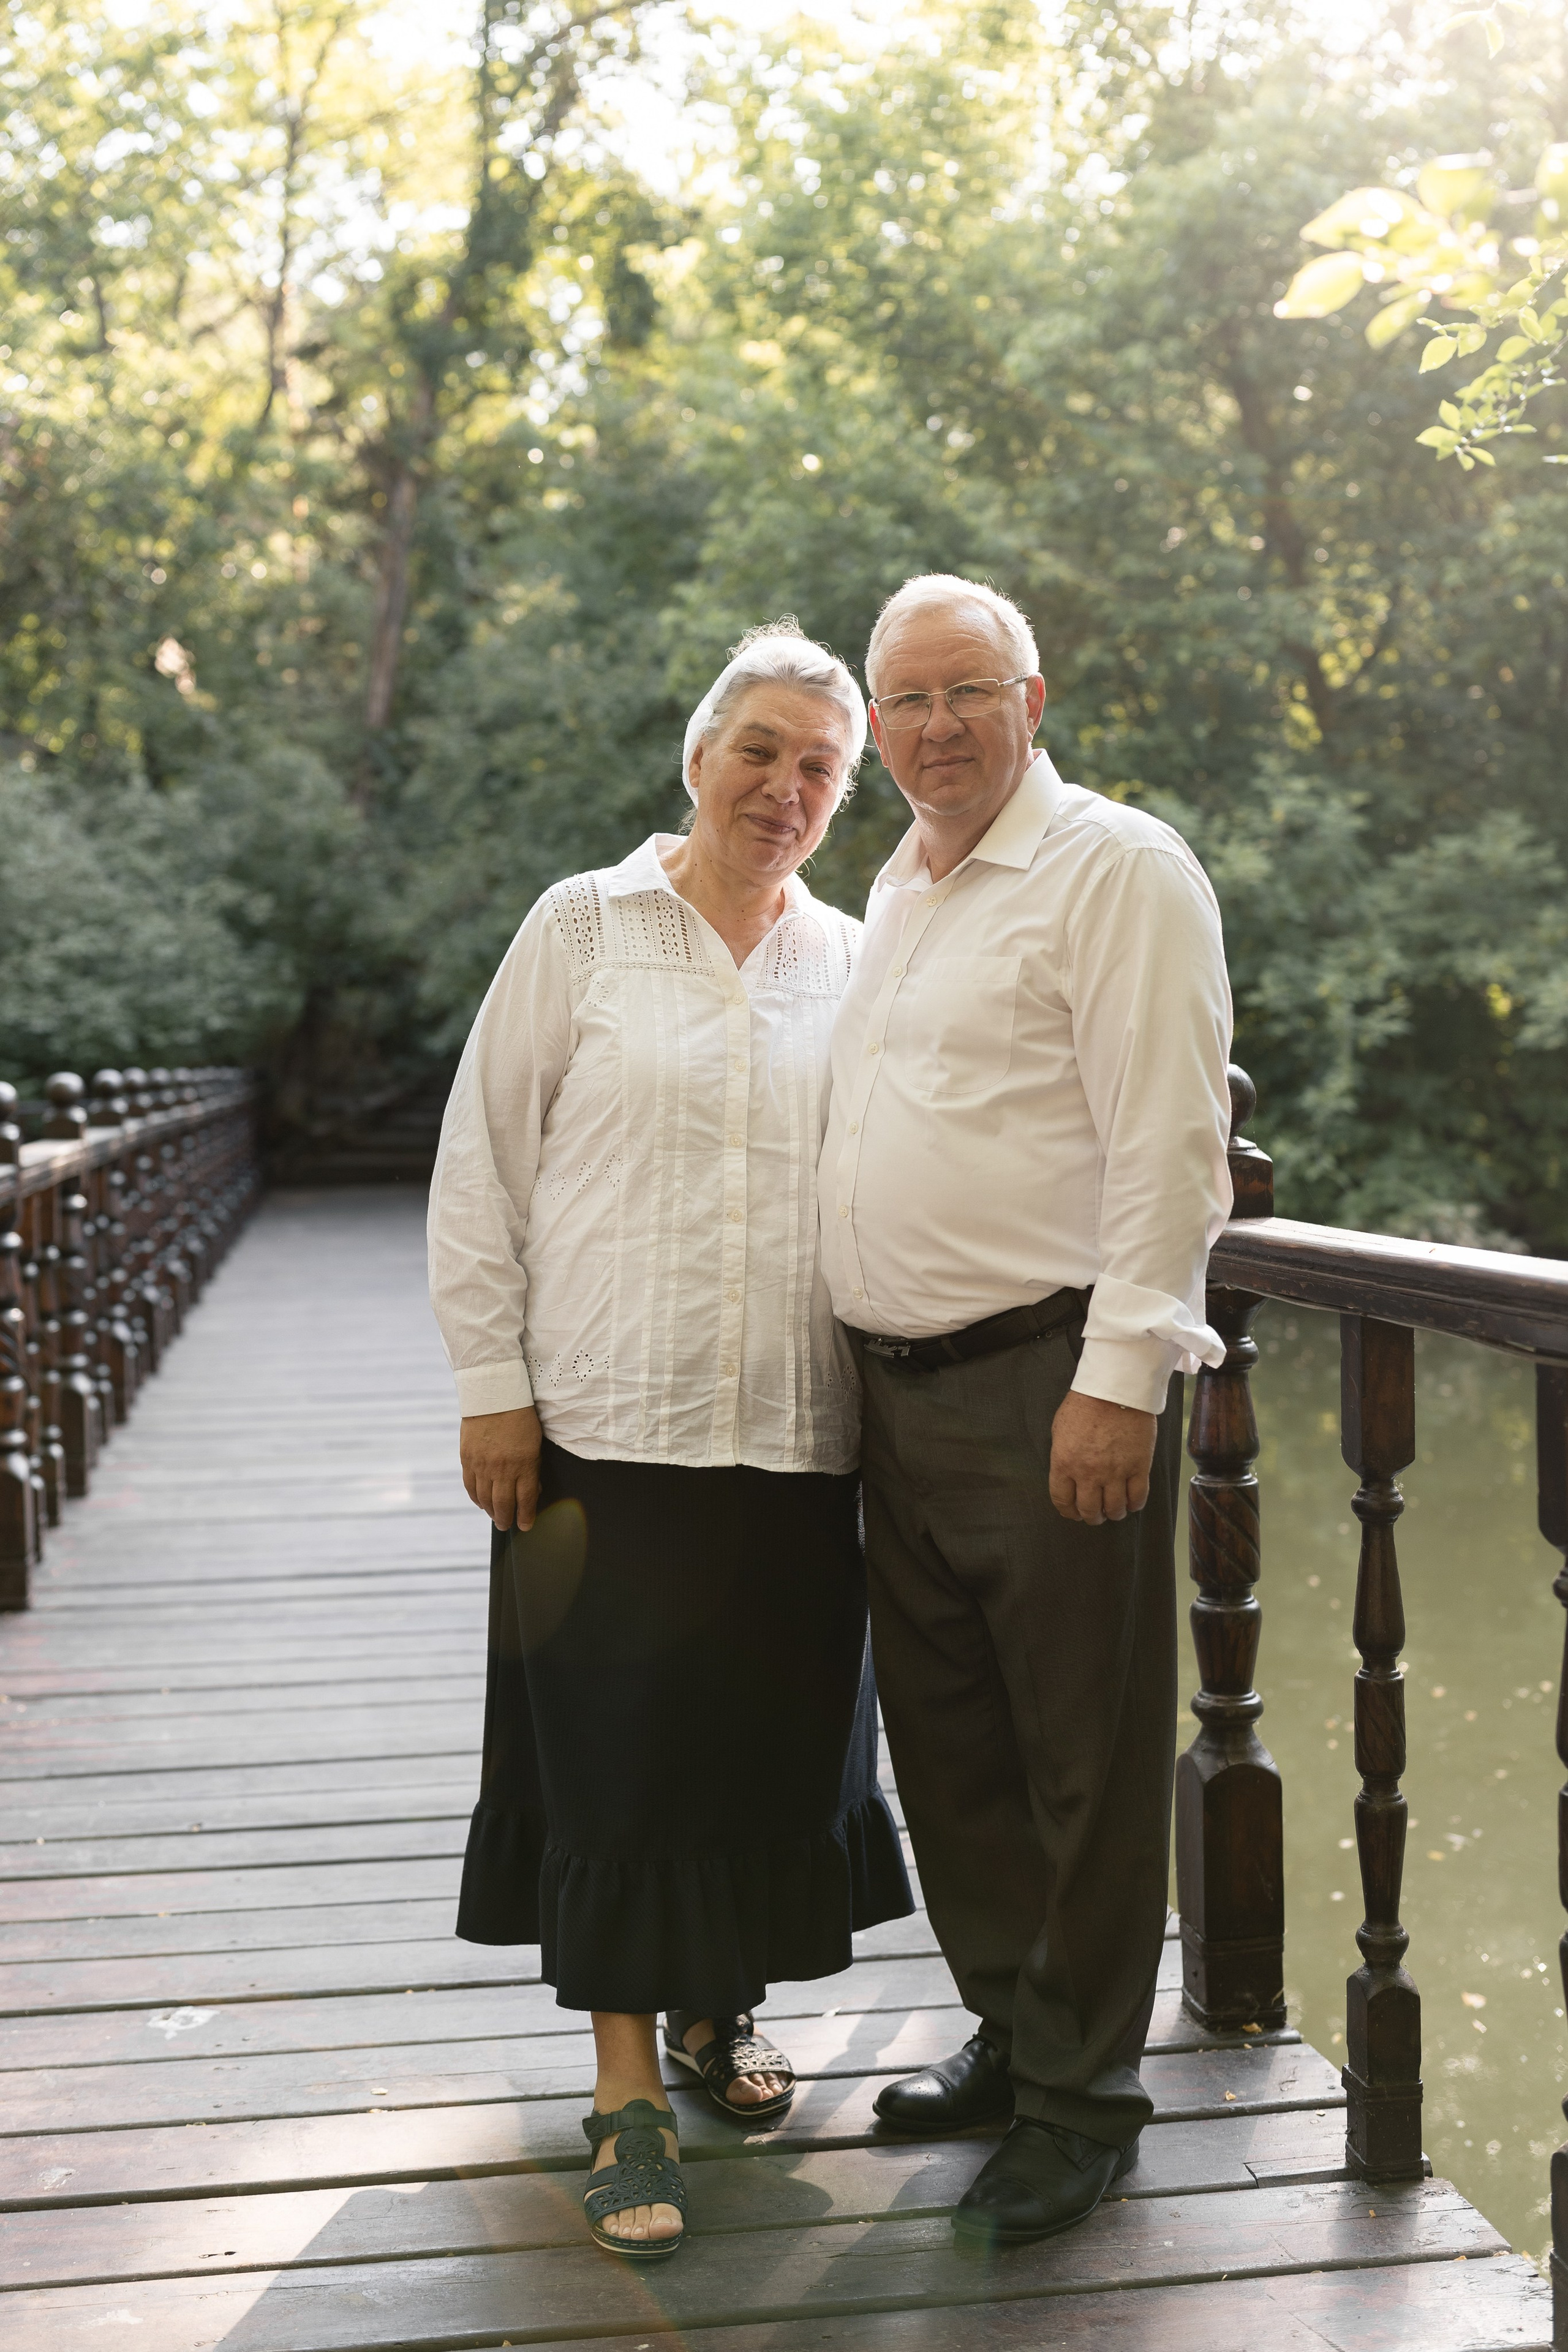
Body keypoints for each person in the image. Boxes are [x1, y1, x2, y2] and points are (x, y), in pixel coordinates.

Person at [427, 620, 912, 2264]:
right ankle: (625, 2082)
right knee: (618, 1759)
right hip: (602, 1430)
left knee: (760, 1749)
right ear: (697, 758)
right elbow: (481, 1168)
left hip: (795, 1432)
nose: (786, 786)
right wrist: (494, 1384)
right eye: (762, 750)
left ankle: (719, 2015)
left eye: (822, 769)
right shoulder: (584, 928)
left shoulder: (857, 961)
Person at [818, 573, 1232, 2248]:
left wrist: (1120, 1377)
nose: (933, 728)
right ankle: (1011, 2032)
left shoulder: (1115, 870)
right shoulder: (905, 883)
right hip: (895, 1397)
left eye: (964, 693)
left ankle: (1084, 2105)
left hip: (1046, 1381)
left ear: (1033, 699)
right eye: (904, 700)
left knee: (1082, 1756)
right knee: (956, 1747)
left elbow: (1169, 1143)